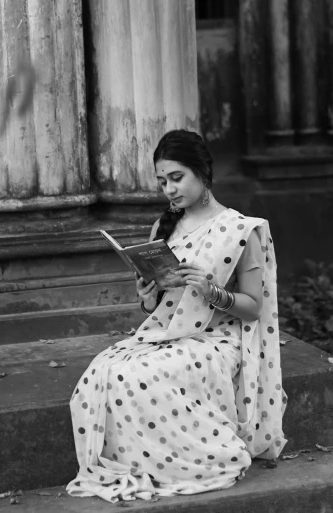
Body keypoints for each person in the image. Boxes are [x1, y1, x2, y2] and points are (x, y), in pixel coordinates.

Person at [67, 130, 287, 503]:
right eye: (162, 181)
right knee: (103, 371)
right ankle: (141, 467)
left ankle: (197, 460)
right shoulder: (163, 228)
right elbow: (162, 309)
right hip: (169, 334)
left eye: (176, 177)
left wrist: (212, 291)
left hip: (218, 339)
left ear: (203, 173)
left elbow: (253, 307)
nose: (168, 189)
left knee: (141, 374)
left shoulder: (242, 230)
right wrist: (147, 299)